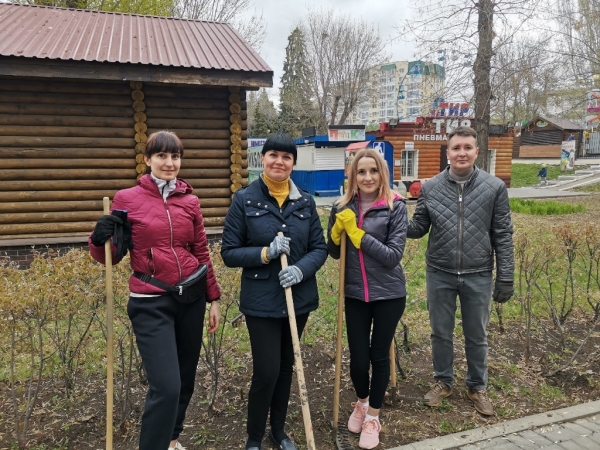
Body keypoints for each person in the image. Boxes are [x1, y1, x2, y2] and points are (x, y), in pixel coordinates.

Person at [89, 131, 221, 450]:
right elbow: (110, 257)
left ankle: (172, 440)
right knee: (167, 385)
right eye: (162, 156)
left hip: (190, 298)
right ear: (147, 160)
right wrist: (99, 238)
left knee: (185, 380)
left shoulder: (190, 200)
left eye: (175, 156)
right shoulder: (127, 199)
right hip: (150, 301)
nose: (169, 163)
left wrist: (213, 297)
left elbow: (201, 252)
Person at [220, 133, 327, 450]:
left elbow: (318, 249)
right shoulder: (245, 200)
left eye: (286, 156)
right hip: (261, 301)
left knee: (285, 369)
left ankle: (278, 432)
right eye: (273, 155)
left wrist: (300, 269)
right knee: (266, 371)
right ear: (262, 159)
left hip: (299, 298)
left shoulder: (305, 201)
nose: (279, 161)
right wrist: (265, 253)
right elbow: (229, 253)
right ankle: (254, 437)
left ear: (293, 162)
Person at [408, 126, 514, 417]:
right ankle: (443, 382)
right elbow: (418, 228)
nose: (462, 153)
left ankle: (477, 387)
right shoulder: (430, 187)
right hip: (439, 273)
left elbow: (503, 234)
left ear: (476, 152)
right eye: (456, 148)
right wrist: (389, 215)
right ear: (448, 152)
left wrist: (505, 275)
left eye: (468, 147)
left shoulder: (494, 188)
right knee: (440, 333)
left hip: (478, 273)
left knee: (476, 335)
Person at [327, 149, 408, 449]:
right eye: (361, 172)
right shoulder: (342, 206)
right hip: (355, 294)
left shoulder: (395, 206)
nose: (367, 177)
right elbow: (334, 252)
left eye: (373, 171)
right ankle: (361, 402)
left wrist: (356, 233)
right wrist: (337, 230)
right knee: (358, 359)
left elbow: (392, 256)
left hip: (389, 294)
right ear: (352, 175)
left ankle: (373, 415)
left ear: (382, 173)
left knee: (378, 355)